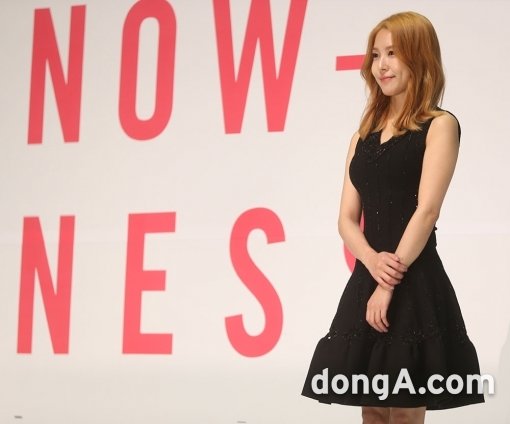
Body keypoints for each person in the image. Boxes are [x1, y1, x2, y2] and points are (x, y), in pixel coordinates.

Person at [301, 11, 484, 424]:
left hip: (413, 279)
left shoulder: (439, 125)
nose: (381, 65)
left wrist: (388, 282)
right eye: (375, 55)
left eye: (393, 53)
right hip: (368, 277)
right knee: (371, 409)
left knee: (403, 410)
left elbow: (427, 210)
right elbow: (346, 219)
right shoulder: (362, 135)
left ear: (419, 58)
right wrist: (371, 262)